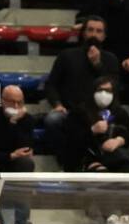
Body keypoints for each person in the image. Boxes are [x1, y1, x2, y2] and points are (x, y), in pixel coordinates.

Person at [43, 15, 120, 153]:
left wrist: (97, 65)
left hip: (100, 113)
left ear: (104, 36)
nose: (94, 34)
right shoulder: (67, 55)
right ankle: (64, 161)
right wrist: (57, 104)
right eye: (90, 30)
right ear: (83, 33)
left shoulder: (111, 59)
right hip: (70, 111)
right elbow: (51, 84)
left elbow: (113, 88)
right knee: (52, 120)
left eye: (98, 31)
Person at [78, 75, 129, 172]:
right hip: (88, 156)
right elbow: (73, 140)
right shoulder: (79, 112)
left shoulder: (120, 112)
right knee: (101, 172)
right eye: (100, 90)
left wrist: (118, 140)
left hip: (116, 156)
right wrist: (92, 130)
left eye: (108, 91)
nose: (104, 94)